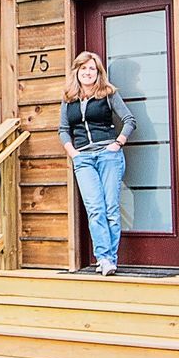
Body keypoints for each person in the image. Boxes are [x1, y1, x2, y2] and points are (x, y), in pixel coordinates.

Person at [59, 50, 136, 275]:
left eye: (92, 68)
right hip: (83, 159)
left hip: (108, 155)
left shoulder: (108, 93)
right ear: (77, 72)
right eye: (84, 68)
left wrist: (118, 143)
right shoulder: (69, 98)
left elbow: (130, 120)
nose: (88, 72)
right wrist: (73, 153)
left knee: (111, 208)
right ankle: (104, 258)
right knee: (95, 209)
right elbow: (63, 130)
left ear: (98, 72)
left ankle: (109, 259)